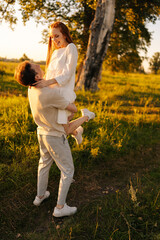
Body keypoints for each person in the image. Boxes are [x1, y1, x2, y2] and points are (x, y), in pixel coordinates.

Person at [14, 61, 95, 217]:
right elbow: (73, 108)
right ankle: (60, 207)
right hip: (55, 137)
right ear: (37, 76)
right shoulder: (49, 93)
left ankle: (40, 196)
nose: (38, 64)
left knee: (43, 164)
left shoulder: (31, 89)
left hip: (42, 133)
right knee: (68, 170)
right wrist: (66, 97)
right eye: (35, 65)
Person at [34, 22, 84, 145]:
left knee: (62, 129)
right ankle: (77, 131)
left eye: (57, 36)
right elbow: (50, 73)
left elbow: (67, 74)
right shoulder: (56, 53)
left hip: (63, 92)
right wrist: (40, 81)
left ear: (65, 35)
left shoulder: (70, 48)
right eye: (52, 37)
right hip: (53, 93)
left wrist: (47, 83)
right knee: (58, 126)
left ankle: (85, 117)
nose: (54, 40)